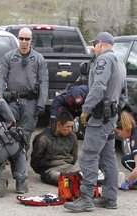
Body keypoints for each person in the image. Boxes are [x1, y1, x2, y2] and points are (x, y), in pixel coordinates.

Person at [64, 32, 128, 212]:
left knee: (89, 156)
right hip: (109, 117)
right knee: (108, 157)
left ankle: (86, 198)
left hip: (99, 117)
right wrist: (114, 112)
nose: (93, 49)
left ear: (101, 44)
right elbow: (123, 95)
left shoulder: (104, 60)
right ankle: (109, 198)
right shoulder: (120, 62)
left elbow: (99, 87)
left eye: (94, 45)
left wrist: (86, 109)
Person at [0, 27, 49, 151]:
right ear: (18, 39)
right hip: (12, 101)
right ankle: (9, 153)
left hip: (30, 102)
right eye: (21, 38)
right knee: (9, 128)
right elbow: (1, 77)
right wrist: (0, 98)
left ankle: (22, 152)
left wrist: (41, 104)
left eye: (27, 39)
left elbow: (44, 82)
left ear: (31, 40)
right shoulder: (9, 57)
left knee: (26, 131)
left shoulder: (38, 59)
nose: (24, 41)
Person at [31, 110, 78, 186]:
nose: (70, 130)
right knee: (67, 182)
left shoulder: (72, 136)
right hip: (50, 170)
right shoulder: (43, 139)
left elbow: (74, 156)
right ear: (59, 124)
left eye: (71, 126)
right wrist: (44, 173)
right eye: (68, 126)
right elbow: (35, 161)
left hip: (68, 167)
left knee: (84, 179)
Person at [115, 111, 137, 190]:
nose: (119, 135)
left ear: (124, 129)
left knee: (126, 160)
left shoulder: (135, 138)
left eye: (118, 132)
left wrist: (127, 182)